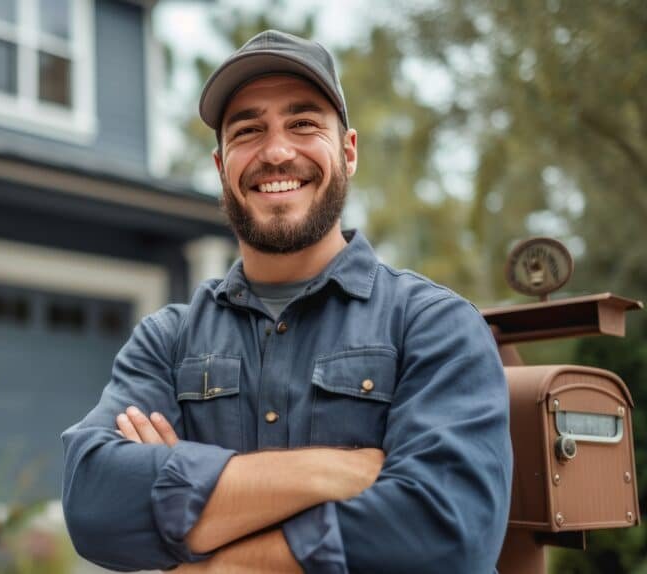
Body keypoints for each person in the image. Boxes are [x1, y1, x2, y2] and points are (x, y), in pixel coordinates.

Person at [61, 30, 512, 573]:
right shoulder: (168, 341)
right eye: (248, 131)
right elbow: (95, 506)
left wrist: (209, 560)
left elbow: (446, 534)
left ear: (348, 152)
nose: (276, 152)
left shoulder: (433, 324)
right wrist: (331, 473)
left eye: (303, 124)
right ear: (221, 166)